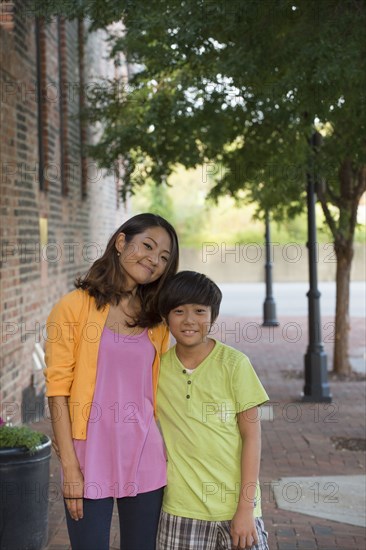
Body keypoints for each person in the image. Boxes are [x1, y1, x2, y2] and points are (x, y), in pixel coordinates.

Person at [44, 213, 179, 550]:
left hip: (145, 452)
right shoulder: (72, 307)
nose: (154, 260)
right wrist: (69, 467)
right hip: (89, 454)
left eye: (164, 258)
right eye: (148, 246)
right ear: (121, 242)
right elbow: (57, 390)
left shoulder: (157, 319)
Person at [156, 271, 269, 550]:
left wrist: (245, 509)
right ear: (166, 317)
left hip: (235, 508)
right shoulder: (157, 369)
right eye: (179, 311)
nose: (189, 320)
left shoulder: (235, 364)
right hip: (181, 509)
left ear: (213, 316)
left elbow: (252, 438)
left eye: (199, 311)